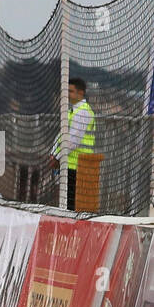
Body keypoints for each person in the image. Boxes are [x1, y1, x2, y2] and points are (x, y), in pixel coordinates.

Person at [56, 78, 96, 211]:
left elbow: (73, 141)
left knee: (72, 204)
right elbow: (63, 136)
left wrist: (57, 157)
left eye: (71, 91)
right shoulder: (72, 111)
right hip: (70, 163)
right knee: (66, 202)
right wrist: (54, 154)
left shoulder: (82, 112)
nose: (67, 94)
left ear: (81, 93)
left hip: (77, 165)